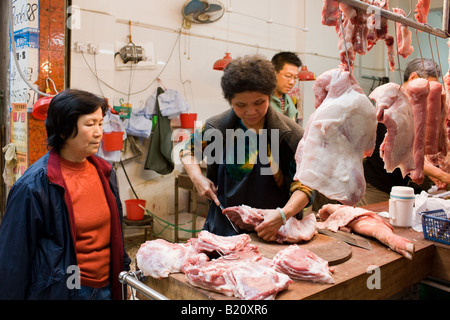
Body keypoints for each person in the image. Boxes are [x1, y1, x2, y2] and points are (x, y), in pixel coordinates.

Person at [0, 89, 131, 300]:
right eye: (90, 124)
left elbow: (114, 235)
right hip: (65, 290)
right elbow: (13, 259)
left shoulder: (105, 172)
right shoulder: (35, 186)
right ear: (63, 131)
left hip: (107, 287)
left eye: (100, 123)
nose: (99, 132)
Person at [179, 55, 314, 241]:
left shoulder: (291, 135)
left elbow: (305, 186)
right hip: (222, 233)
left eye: (259, 103)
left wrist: (283, 215)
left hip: (271, 232)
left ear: (270, 95)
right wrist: (197, 178)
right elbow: (188, 151)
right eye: (240, 105)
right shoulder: (216, 127)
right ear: (230, 101)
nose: (251, 112)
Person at [360, 58, 449, 205]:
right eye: (429, 86)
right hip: (377, 188)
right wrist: (440, 175)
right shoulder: (391, 100)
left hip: (402, 187)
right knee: (377, 222)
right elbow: (403, 153)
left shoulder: (415, 106)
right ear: (414, 78)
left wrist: (432, 170)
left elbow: (416, 147)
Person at [270, 52, 302, 122]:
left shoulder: (289, 103)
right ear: (273, 73)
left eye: (295, 77)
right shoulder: (263, 100)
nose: (292, 82)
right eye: (288, 76)